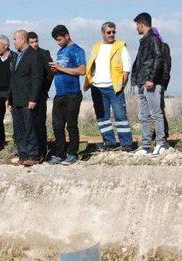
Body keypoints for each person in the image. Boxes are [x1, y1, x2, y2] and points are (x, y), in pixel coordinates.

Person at [84, 22, 133, 151]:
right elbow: (91, 65)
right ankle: (109, 143)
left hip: (114, 87)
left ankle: (127, 144)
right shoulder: (96, 47)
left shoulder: (120, 46)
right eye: (109, 32)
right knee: (102, 117)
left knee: (120, 116)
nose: (112, 34)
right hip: (97, 88)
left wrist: (123, 82)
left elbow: (127, 67)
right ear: (103, 33)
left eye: (113, 32)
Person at [47, 25, 86, 166]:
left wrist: (60, 68)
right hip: (59, 94)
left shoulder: (77, 50)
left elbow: (82, 71)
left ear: (67, 36)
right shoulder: (60, 52)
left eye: (59, 39)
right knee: (57, 125)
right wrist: (54, 70)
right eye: (56, 40)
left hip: (73, 94)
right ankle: (59, 154)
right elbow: (61, 70)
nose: (58, 42)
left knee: (71, 125)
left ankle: (72, 153)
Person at [132, 12, 167, 156]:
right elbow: (141, 62)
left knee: (156, 114)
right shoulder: (144, 40)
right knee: (143, 115)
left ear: (141, 23)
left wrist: (151, 78)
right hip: (141, 83)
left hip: (150, 82)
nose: (136, 28)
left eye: (136, 25)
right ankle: (146, 146)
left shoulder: (153, 38)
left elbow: (158, 58)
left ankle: (161, 144)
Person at [7, 29, 43, 166]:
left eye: (15, 39)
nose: (14, 42)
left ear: (22, 40)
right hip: (16, 99)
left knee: (30, 128)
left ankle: (33, 155)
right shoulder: (17, 56)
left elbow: (37, 78)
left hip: (28, 99)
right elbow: (14, 79)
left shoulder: (34, 55)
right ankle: (23, 155)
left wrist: (33, 99)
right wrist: (9, 98)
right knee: (19, 129)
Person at [27, 32, 54, 160]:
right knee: (29, 124)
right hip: (26, 96)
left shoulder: (44, 53)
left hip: (41, 95)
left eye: (36, 41)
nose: (34, 44)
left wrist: (43, 90)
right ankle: (31, 152)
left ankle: (43, 152)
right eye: (31, 42)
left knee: (40, 123)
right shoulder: (24, 55)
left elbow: (50, 74)